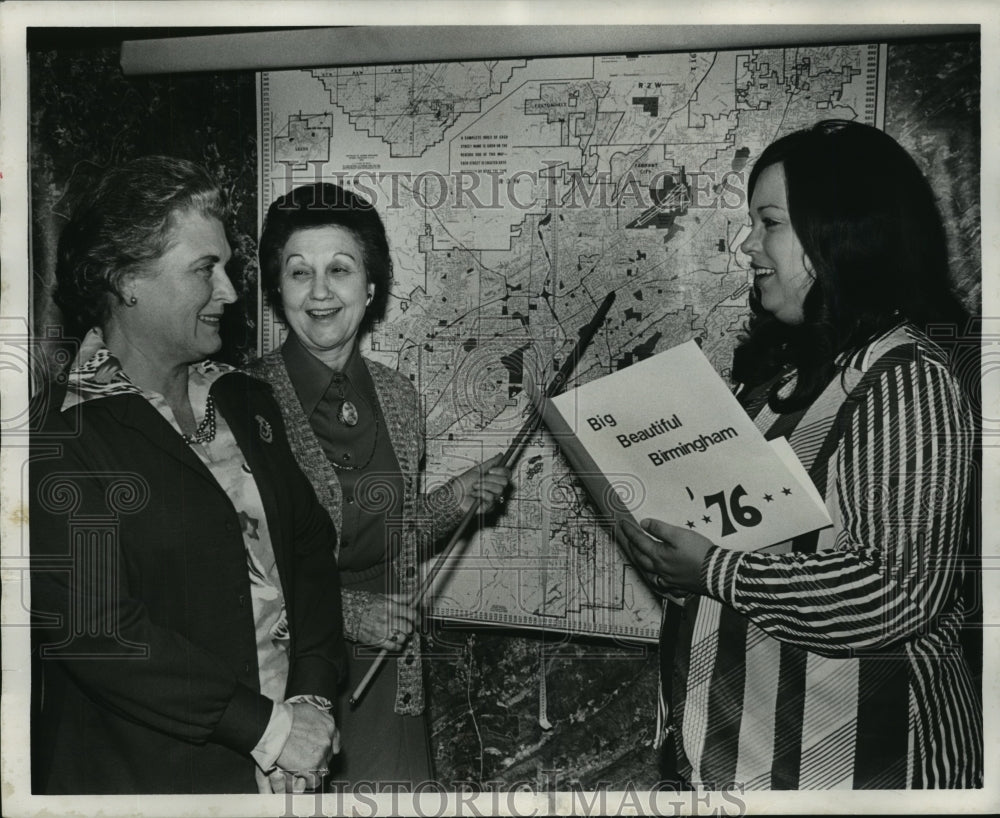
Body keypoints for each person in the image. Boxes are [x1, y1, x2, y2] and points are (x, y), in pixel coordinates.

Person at [618, 120, 983, 789]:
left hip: (859, 778)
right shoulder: (781, 378)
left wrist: (715, 571)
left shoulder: (904, 379)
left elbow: (897, 590)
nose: (747, 245)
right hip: (745, 766)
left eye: (770, 222)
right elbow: (755, 545)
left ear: (841, 235)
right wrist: (676, 559)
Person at [30, 156, 347, 794]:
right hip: (151, 781)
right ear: (126, 280)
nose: (230, 292)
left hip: (291, 765)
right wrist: (269, 731)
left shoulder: (243, 400)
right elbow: (100, 633)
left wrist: (311, 699)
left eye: (227, 266)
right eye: (206, 269)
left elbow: (309, 548)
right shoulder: (62, 435)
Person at [246, 182, 510, 785]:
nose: (319, 292)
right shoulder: (244, 402)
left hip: (390, 669)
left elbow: (395, 532)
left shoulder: (396, 395)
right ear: (276, 290)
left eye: (339, 269)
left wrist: (457, 496)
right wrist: (344, 614)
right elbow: (236, 574)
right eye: (298, 272)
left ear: (369, 287)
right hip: (286, 680)